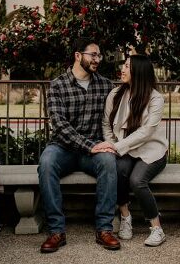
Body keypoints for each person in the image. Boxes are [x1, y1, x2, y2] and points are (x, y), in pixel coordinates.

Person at [37, 38, 121, 253]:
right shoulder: (58, 84)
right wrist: (89, 146)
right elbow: (59, 125)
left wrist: (107, 144)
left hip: (93, 149)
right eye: (93, 54)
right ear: (77, 55)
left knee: (109, 161)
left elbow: (116, 118)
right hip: (62, 147)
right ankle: (56, 231)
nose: (97, 59)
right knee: (46, 163)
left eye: (99, 55)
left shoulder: (105, 85)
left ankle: (104, 229)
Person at [98, 54, 169, 247]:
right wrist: (111, 143)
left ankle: (157, 229)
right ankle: (125, 217)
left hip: (151, 151)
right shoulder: (115, 94)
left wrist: (117, 146)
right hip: (124, 149)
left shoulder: (156, 99)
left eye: (128, 66)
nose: (123, 69)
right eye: (124, 65)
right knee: (118, 171)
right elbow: (106, 123)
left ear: (139, 71)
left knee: (137, 181)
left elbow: (146, 132)